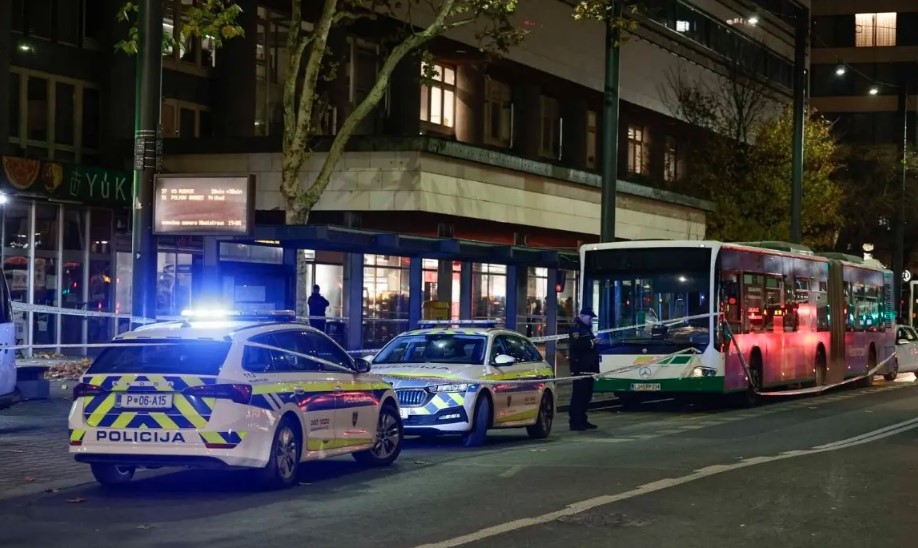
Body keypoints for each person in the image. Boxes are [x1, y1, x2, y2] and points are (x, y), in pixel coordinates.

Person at [568, 306, 600, 430]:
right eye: (589, 317)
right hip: (580, 368)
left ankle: (582, 419)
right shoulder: (576, 328)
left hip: (589, 367)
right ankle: (575, 422)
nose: (591, 320)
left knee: (586, 396)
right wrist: (593, 343)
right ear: (582, 316)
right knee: (579, 396)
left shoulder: (586, 329)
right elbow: (577, 346)